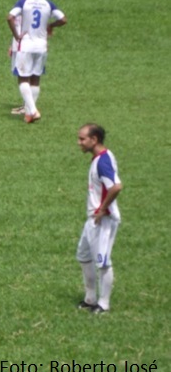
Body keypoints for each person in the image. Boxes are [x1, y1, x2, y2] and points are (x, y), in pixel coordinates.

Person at [76, 123, 122, 313]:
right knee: (83, 255)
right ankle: (90, 298)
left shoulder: (102, 162)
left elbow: (116, 187)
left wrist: (102, 209)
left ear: (94, 139)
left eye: (82, 139)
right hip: (93, 219)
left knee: (103, 262)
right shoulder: (100, 158)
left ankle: (103, 304)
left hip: (102, 220)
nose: (79, 143)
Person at [7, 0, 67, 123]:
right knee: (35, 78)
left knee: (22, 78)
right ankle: (28, 114)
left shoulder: (24, 2)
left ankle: (33, 110)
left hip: (26, 45)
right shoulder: (48, 3)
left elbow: (9, 17)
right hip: (41, 46)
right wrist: (51, 25)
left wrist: (16, 36)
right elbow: (63, 19)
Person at [8, 0, 29, 115]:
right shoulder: (19, 3)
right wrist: (12, 44)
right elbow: (17, 25)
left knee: (24, 75)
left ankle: (28, 107)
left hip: (24, 45)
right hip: (18, 44)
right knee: (21, 75)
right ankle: (26, 105)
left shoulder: (26, 4)